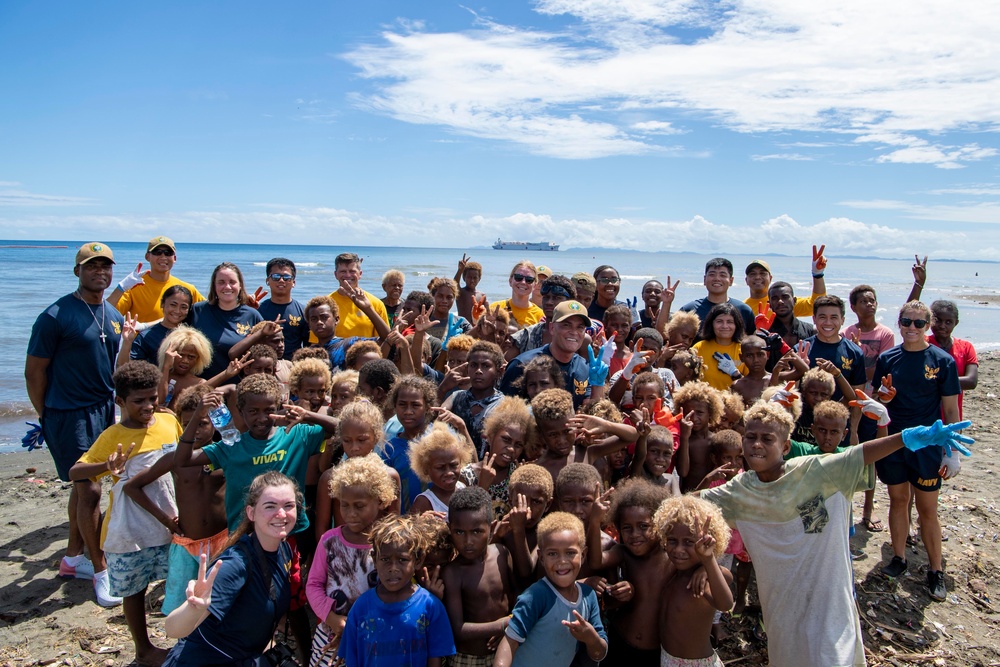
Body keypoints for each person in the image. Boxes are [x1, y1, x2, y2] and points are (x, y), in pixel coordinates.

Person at [698, 401, 973, 666]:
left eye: (767, 439)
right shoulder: (739, 492)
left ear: (785, 446)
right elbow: (692, 504)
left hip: (829, 601)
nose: (756, 444)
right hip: (781, 607)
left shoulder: (817, 471)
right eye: (751, 437)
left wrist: (907, 437)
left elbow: (863, 453)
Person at [25, 242, 125, 606]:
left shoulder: (111, 313)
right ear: (77, 271)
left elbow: (113, 365)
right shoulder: (55, 315)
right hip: (67, 413)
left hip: (101, 411)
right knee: (90, 490)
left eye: (105, 266)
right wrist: (46, 415)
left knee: (83, 487)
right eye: (91, 266)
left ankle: (72, 558)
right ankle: (101, 573)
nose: (100, 271)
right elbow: (34, 372)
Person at [69, 361, 179, 663]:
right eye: (138, 401)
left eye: (152, 398)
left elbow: (181, 460)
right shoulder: (112, 436)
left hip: (170, 520)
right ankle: (143, 648)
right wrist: (107, 466)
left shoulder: (168, 422)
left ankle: (184, 639)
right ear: (120, 402)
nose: (148, 406)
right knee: (134, 589)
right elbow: (75, 471)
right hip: (130, 528)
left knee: (180, 581)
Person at [162, 471, 300, 666]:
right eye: (270, 506)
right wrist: (193, 608)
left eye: (288, 506)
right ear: (251, 512)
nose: (281, 514)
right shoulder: (234, 565)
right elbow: (173, 629)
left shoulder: (283, 548)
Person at [874, 301, 962, 600]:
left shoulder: (942, 361)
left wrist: (952, 452)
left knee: (927, 509)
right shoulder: (888, 358)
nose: (911, 328)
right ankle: (898, 558)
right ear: (899, 323)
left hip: (928, 444)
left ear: (928, 325)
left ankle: (936, 570)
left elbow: (951, 410)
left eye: (919, 323)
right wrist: (883, 398)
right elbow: (878, 401)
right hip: (895, 442)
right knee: (898, 500)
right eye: (906, 321)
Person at [123, 384, 227, 618]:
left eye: (202, 423)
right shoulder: (175, 459)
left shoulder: (224, 455)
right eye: (190, 424)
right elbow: (132, 487)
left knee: (219, 602)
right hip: (187, 545)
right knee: (182, 606)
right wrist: (167, 520)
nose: (197, 430)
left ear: (214, 422)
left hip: (223, 540)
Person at [307, 453, 396, 667]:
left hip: (378, 636)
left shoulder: (388, 543)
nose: (350, 513)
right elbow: (313, 585)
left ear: (381, 502)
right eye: (344, 505)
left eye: (359, 505)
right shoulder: (329, 541)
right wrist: (332, 619)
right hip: (330, 636)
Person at [338, 514, 457, 666]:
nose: (393, 569)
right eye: (385, 559)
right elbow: (352, 659)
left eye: (402, 560)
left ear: (418, 561)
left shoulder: (430, 606)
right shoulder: (361, 607)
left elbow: (435, 659)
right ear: (374, 559)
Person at [495, 512, 608, 667]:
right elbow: (510, 642)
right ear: (541, 557)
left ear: (583, 555)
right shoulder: (537, 596)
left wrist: (591, 638)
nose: (562, 561)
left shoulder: (589, 597)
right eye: (552, 554)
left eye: (570, 553)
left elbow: (599, 654)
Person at [587, 478, 672, 665]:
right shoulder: (623, 553)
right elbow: (596, 560)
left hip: (657, 651)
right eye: (627, 528)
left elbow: (721, 573)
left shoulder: (672, 557)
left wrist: (703, 571)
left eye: (644, 526)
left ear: (659, 523)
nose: (635, 535)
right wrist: (594, 521)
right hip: (620, 641)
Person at [655, 496, 733, 667]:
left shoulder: (701, 582)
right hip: (667, 658)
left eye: (689, 542)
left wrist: (708, 562)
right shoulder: (674, 570)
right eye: (672, 540)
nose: (678, 550)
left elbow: (725, 603)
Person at [442, 486, 514, 666]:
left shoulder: (502, 554)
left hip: (504, 651)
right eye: (459, 532)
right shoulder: (453, 573)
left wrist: (508, 630)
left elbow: (516, 597)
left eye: (477, 531)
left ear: (491, 528)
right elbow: (458, 629)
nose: (468, 541)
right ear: (450, 529)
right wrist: (503, 625)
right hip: (467, 659)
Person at [500, 300, 600, 409]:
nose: (574, 332)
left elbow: (588, 412)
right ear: (552, 328)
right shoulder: (522, 365)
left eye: (580, 327)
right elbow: (505, 413)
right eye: (566, 325)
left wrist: (598, 385)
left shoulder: (585, 367)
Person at [187, 262, 263, 380]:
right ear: (214, 285)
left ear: (240, 285)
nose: (227, 287)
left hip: (237, 389)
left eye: (232, 282)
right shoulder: (198, 310)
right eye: (221, 282)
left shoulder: (252, 315)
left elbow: (263, 354)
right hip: (202, 387)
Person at [111, 236, 205, 324]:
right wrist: (121, 287)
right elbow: (107, 314)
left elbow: (210, 310)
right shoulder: (134, 287)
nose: (163, 257)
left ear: (174, 258)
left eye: (168, 253)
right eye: (157, 252)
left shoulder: (187, 289)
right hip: (141, 341)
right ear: (147, 257)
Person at [118, 285, 194, 367]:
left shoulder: (191, 335)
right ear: (162, 304)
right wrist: (127, 342)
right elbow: (125, 367)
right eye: (173, 305)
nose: (177, 311)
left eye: (183, 307)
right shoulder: (146, 337)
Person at [408, 422, 472, 517]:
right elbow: (411, 530)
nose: (449, 473)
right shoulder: (424, 502)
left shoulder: (462, 488)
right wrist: (421, 522)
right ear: (426, 469)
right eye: (440, 467)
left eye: (453, 465)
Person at [928, 300, 978, 419]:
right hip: (926, 415)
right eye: (938, 320)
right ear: (929, 320)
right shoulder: (923, 343)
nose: (942, 325)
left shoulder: (966, 347)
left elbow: (971, 381)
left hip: (952, 415)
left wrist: (932, 380)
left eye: (948, 322)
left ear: (956, 323)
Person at [507, 274, 577, 360]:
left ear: (570, 302)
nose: (549, 302)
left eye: (556, 298)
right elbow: (503, 367)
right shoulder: (526, 336)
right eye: (546, 297)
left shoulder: (577, 338)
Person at [679, 258, 755, 335]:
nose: (717, 279)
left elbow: (752, 341)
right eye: (712, 274)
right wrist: (667, 303)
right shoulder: (690, 310)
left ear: (731, 281)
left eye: (722, 275)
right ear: (705, 279)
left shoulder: (744, 310)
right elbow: (672, 337)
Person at [743, 248, 827, 316]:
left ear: (770, 278)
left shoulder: (783, 302)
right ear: (746, 280)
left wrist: (817, 274)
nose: (758, 277)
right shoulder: (742, 308)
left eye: (762, 273)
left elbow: (816, 304)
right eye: (752, 274)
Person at [257, 258, 311, 361]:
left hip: (292, 366)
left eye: (286, 277)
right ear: (267, 281)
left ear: (293, 282)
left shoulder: (303, 312)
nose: (281, 280)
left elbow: (307, 346)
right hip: (264, 365)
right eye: (276, 276)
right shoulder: (258, 311)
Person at [328, 252, 391, 339]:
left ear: (360, 274)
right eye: (343, 271)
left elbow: (386, 340)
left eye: (352, 271)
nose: (347, 275)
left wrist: (368, 309)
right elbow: (316, 343)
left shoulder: (376, 304)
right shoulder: (326, 304)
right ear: (335, 275)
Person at [691, 302, 746, 391]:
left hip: (734, 402)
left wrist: (734, 372)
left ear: (737, 325)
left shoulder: (743, 349)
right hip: (706, 402)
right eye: (719, 321)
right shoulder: (699, 347)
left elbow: (753, 384)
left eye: (730, 322)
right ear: (711, 324)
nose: (725, 326)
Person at [499, 260, 545, 328]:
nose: (523, 282)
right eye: (518, 277)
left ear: (535, 285)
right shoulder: (496, 308)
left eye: (529, 280)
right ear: (510, 281)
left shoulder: (540, 316)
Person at [454, 254, 488, 323]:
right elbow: (455, 283)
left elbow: (486, 315)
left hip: (477, 330)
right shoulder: (461, 293)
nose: (472, 280)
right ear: (464, 278)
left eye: (475, 278)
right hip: (463, 329)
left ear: (479, 279)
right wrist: (460, 270)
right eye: (469, 277)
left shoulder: (482, 296)